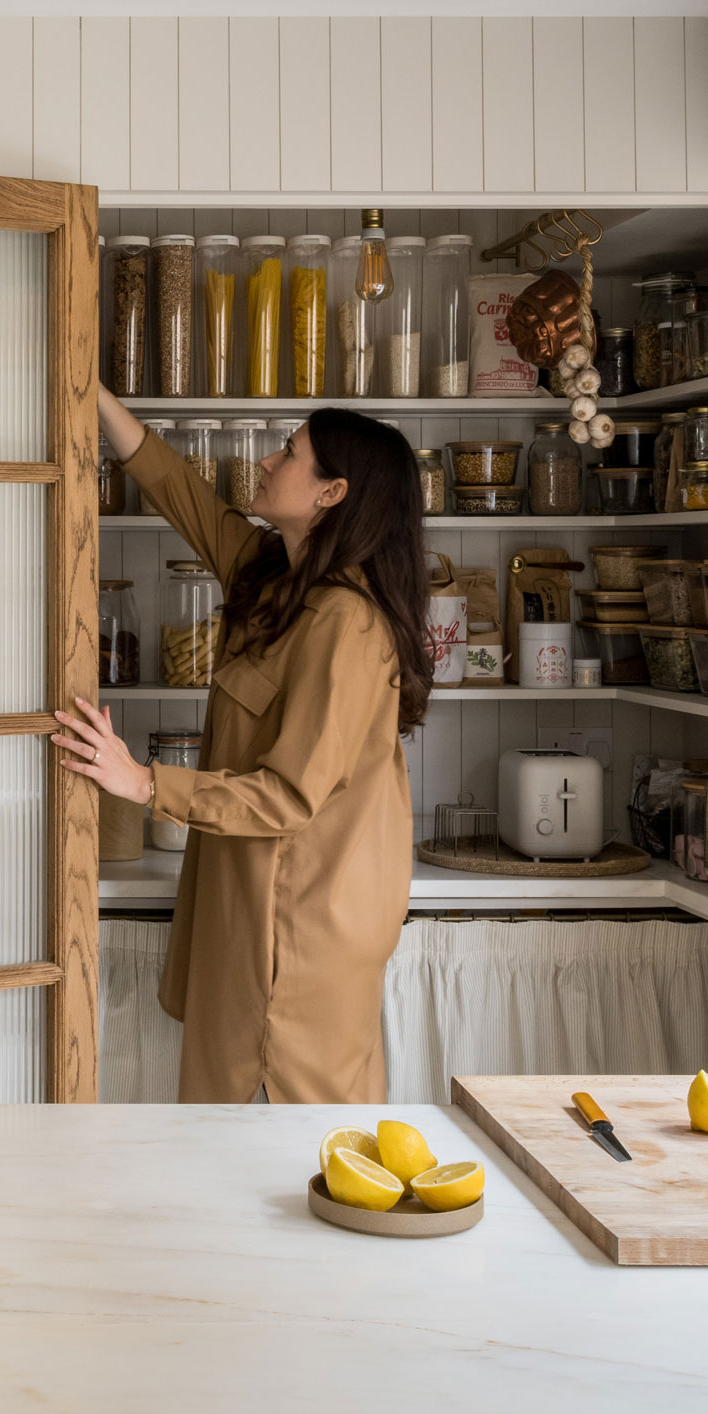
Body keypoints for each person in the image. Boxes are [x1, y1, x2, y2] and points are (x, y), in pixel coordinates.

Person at [53, 388, 431, 1103]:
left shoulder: (346, 626)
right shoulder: (270, 575)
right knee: (223, 1139)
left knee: (287, 1150)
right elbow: (176, 488)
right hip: (244, 910)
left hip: (298, 931)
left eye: (288, 453)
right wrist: (94, 394)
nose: (263, 460)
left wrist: (143, 783)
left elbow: (290, 796)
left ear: (332, 492)